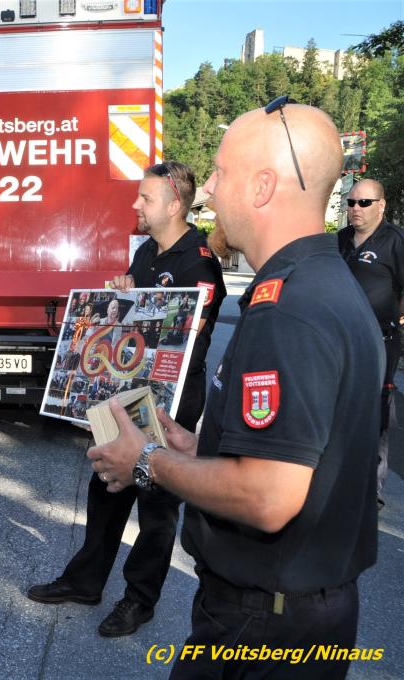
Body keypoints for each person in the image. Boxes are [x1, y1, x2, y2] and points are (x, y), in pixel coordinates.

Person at [90, 101, 382, 678]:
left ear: (262, 186)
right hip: (294, 616)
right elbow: (298, 455)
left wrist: (146, 460)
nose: (208, 191)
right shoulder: (325, 283)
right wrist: (194, 448)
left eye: (220, 173)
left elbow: (269, 497)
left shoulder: (288, 309)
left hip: (263, 627)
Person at [27, 161, 226, 637]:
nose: (136, 204)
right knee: (108, 484)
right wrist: (126, 291)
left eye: (146, 198)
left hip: (170, 401)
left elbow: (182, 338)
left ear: (174, 205)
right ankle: (85, 581)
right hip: (130, 391)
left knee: (156, 504)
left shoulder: (198, 262)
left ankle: (139, 600)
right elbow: (134, 321)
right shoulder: (148, 254)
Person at [337, 178, 404, 510]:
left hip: (380, 343)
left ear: (381, 205)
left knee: (376, 414)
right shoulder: (339, 240)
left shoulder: (395, 241)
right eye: (351, 202)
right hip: (340, 342)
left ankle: (371, 491)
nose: (355, 209)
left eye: (364, 202)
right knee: (339, 409)